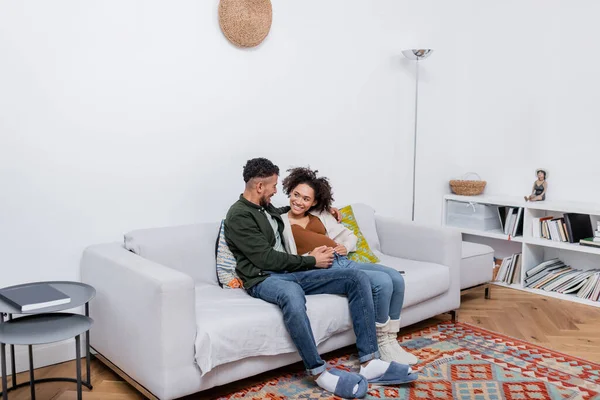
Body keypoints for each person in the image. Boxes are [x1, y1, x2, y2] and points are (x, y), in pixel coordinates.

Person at [224, 158, 417, 399]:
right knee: (291, 295)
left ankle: (370, 362)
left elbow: (287, 212)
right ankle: (318, 372)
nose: (276, 190)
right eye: (273, 185)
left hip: (288, 272)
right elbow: (266, 260)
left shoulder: (265, 207)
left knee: (356, 277)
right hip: (262, 278)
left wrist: (324, 209)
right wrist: (311, 261)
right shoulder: (239, 215)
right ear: (260, 187)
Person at [280, 167, 418, 366]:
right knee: (381, 282)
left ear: (314, 201)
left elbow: (348, 236)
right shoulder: (279, 220)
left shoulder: (320, 215)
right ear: (289, 191)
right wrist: (309, 257)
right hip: (322, 267)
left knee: (395, 277)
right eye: (296, 195)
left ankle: (390, 340)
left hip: (341, 260)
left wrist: (344, 246)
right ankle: (381, 342)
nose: (299, 202)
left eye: (306, 199)